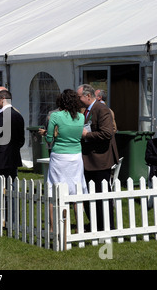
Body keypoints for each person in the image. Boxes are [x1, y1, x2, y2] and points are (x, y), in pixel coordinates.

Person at [41, 89, 88, 231]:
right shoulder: (81, 117)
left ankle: (52, 227)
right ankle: (79, 225)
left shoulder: (55, 116)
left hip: (59, 156)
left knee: (52, 189)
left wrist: (50, 135)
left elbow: (49, 139)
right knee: (76, 189)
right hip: (76, 156)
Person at [77, 84, 119, 231]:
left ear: (88, 96)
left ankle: (107, 226)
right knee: (90, 196)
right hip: (89, 160)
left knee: (102, 197)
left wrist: (86, 135)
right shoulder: (86, 111)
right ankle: (96, 224)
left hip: (100, 160)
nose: (78, 99)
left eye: (79, 96)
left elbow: (107, 133)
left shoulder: (102, 110)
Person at [0, 90, 25, 180]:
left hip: (0, 158)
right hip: (13, 157)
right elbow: (21, 140)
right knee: (11, 186)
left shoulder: (2, 115)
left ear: (3, 99)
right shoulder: (18, 115)